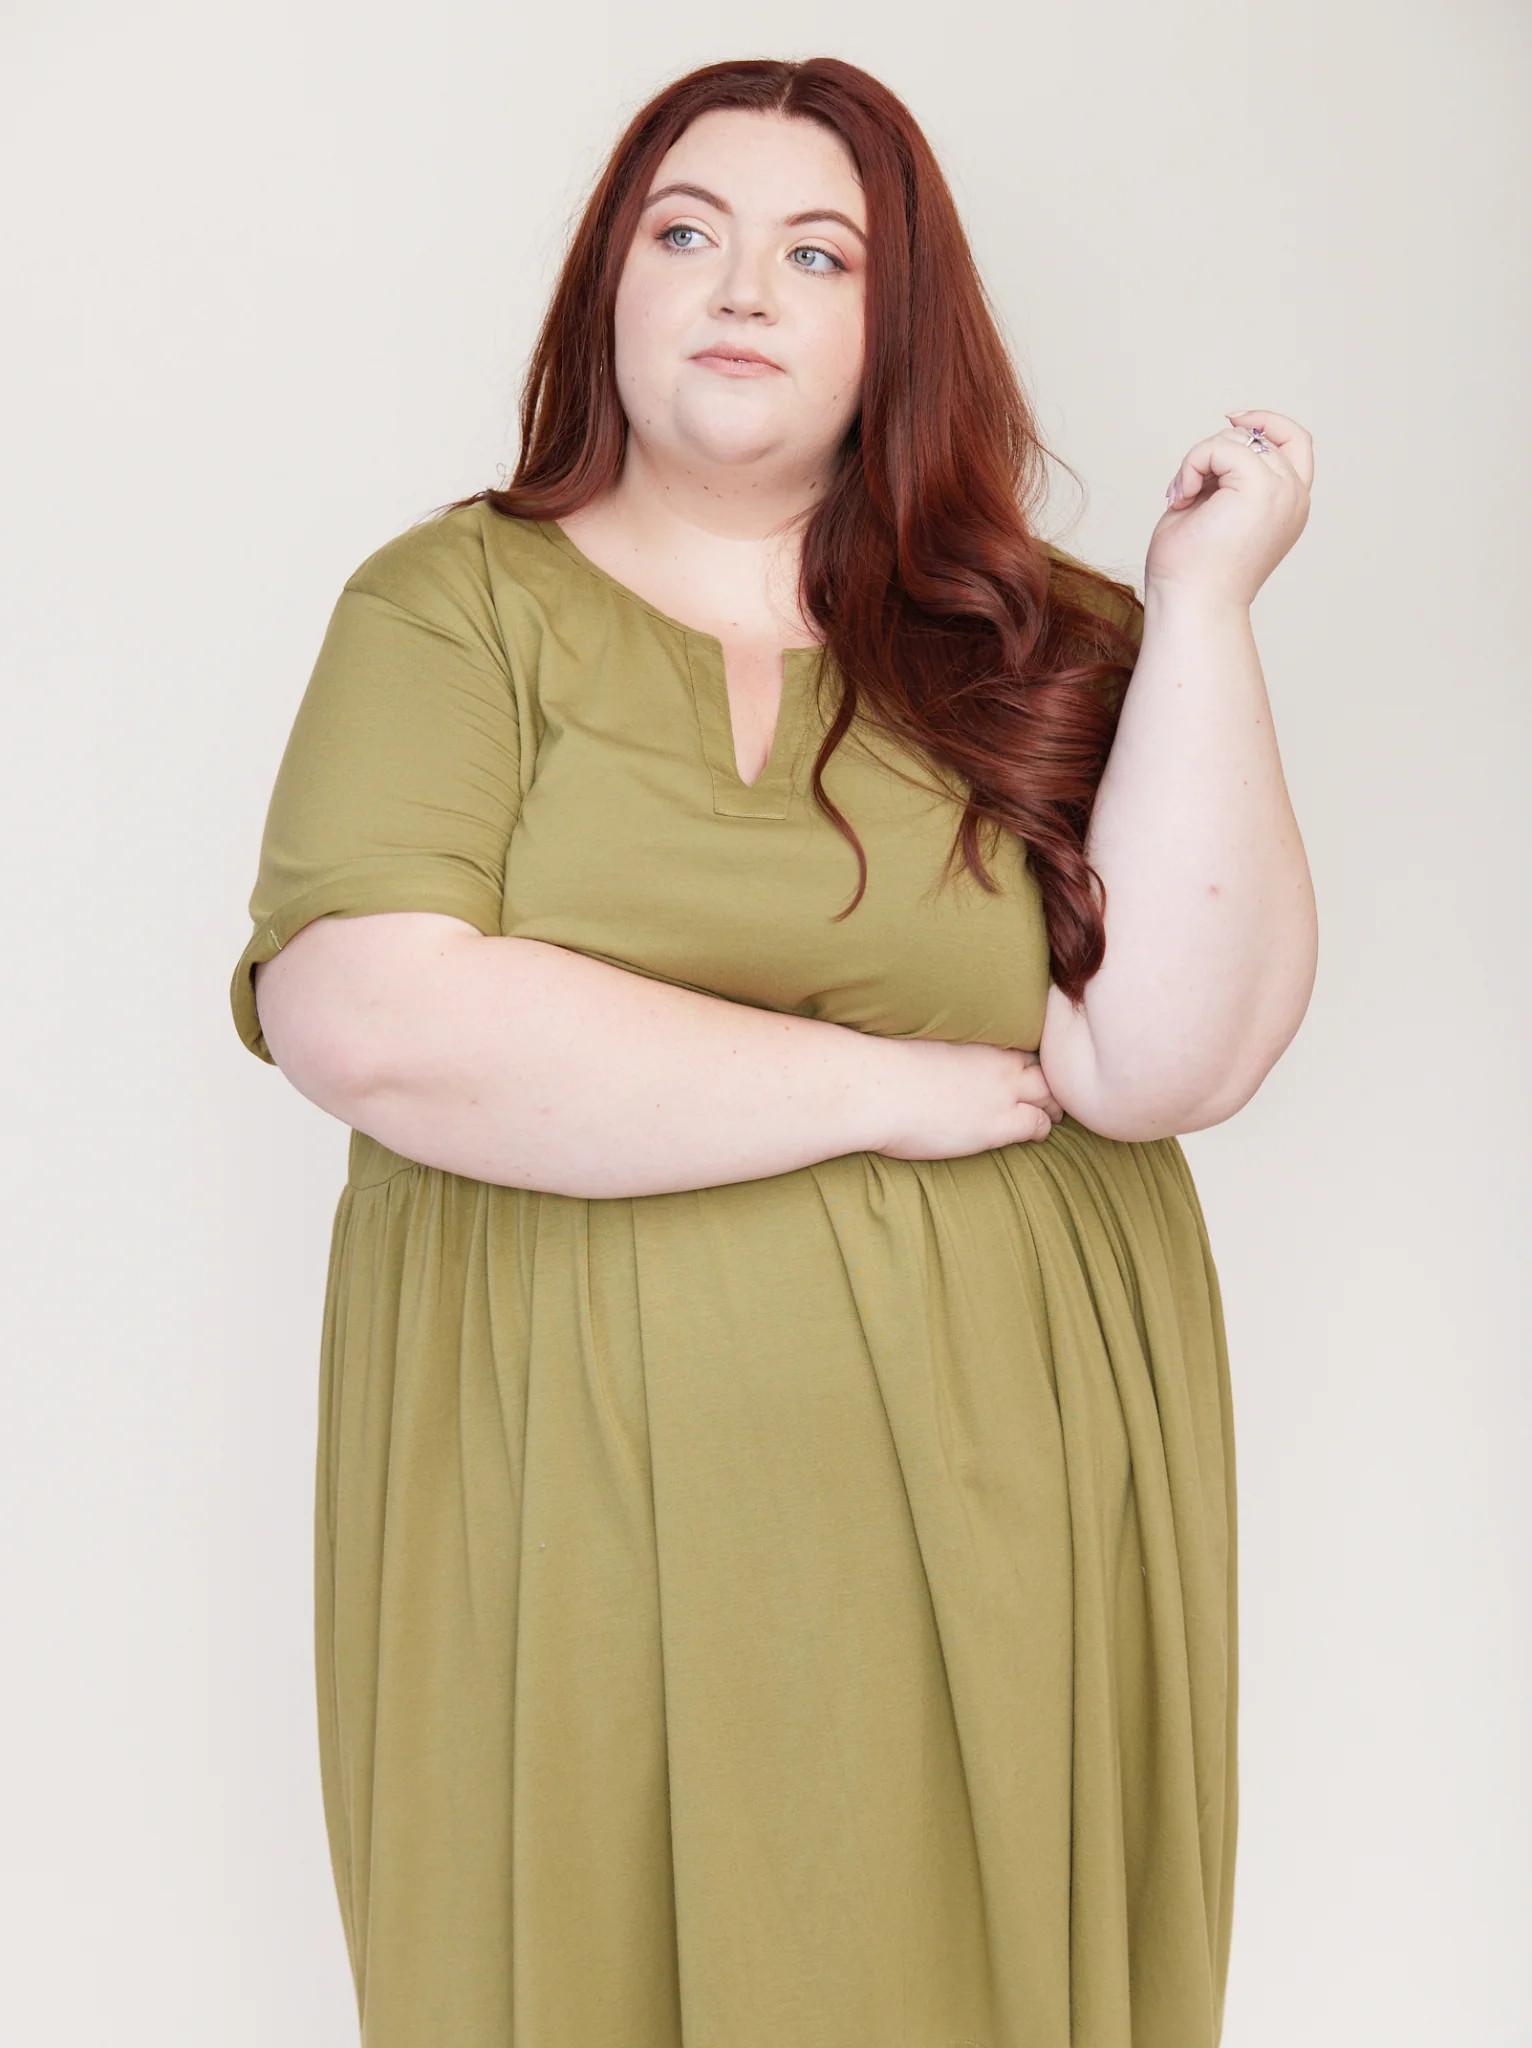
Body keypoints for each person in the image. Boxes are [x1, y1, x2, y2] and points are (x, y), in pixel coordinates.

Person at [230, 53, 1316, 2048]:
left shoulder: (1051, 640)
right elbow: (372, 1016)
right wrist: (896, 1089)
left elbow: (1172, 1056)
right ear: (609, 287)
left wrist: (1203, 610)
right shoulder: (451, 607)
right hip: (551, 1486)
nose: (743, 286)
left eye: (820, 254)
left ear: (899, 328)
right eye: (687, 232)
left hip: (1000, 1490)